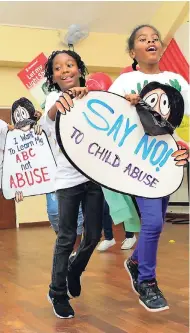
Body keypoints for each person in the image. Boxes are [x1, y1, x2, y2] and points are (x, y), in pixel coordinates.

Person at [107, 24, 189, 313]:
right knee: (152, 223)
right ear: (133, 51)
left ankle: (136, 261)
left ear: (161, 48)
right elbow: (111, 118)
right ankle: (147, 281)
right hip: (138, 163)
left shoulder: (176, 80)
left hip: (168, 161)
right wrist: (128, 105)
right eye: (143, 39)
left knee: (158, 220)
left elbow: (187, 116)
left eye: (155, 39)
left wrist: (185, 145)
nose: (150, 42)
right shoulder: (124, 82)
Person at [44, 50, 104, 319]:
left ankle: (74, 270)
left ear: (79, 69)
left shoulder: (93, 98)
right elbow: (54, 113)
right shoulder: (53, 98)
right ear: (53, 76)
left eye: (70, 65)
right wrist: (68, 97)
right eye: (58, 68)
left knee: (93, 235)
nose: (65, 70)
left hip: (94, 178)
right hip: (68, 180)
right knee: (67, 237)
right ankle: (57, 293)